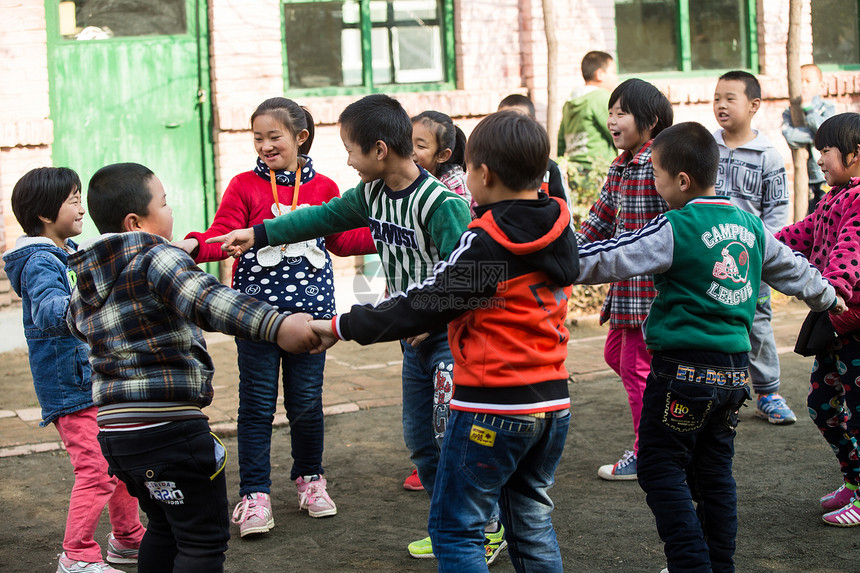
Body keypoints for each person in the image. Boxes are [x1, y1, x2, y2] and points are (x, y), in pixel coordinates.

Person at [204, 95, 509, 562]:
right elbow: (320, 217)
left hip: (449, 342)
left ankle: (484, 528)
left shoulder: (441, 204)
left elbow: (467, 280)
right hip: (414, 343)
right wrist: (259, 233)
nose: (346, 159)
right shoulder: (371, 195)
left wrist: (432, 322)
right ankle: (450, 526)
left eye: (351, 149)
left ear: (380, 150)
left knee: (454, 442)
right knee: (422, 445)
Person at [309, 109, 579, 572]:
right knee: (530, 525)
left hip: (492, 407)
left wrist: (338, 327)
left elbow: (424, 303)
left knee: (457, 531)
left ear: (483, 173)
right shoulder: (558, 230)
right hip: (552, 405)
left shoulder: (487, 241)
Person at [575, 121, 844, 572]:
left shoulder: (676, 226)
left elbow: (614, 255)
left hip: (681, 371)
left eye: (657, 177)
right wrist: (831, 297)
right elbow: (795, 270)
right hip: (734, 375)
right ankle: (719, 564)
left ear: (681, 180)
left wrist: (554, 260)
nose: (656, 187)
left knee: (660, 469)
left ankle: (690, 564)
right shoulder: (750, 226)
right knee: (714, 473)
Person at [66, 162, 320, 573]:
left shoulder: (89, 277)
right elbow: (208, 300)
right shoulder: (156, 257)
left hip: (117, 437)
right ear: (136, 222)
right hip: (169, 431)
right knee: (202, 541)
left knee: (164, 529)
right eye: (164, 203)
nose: (171, 211)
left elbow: (75, 325)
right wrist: (277, 324)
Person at [174, 97, 375, 536]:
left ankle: (310, 480)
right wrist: (193, 245)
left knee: (306, 404)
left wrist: (390, 235)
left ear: (300, 137)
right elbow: (222, 235)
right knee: (257, 405)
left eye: (274, 137)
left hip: (313, 321)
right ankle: (254, 495)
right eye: (258, 138)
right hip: (255, 319)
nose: (265, 146)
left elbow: (341, 241)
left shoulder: (324, 189)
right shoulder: (244, 185)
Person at [3, 167, 145, 573]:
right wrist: (91, 309)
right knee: (97, 471)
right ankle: (76, 554)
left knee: (117, 464)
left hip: (93, 380)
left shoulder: (66, 253)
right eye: (73, 199)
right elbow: (49, 310)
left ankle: (129, 539)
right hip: (70, 386)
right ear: (46, 214)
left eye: (80, 196)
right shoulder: (40, 262)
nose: (82, 207)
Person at [576, 78, 673, 481]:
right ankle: (667, 410)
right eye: (610, 112)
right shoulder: (622, 165)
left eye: (621, 113)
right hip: (625, 290)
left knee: (635, 367)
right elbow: (598, 220)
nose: (612, 120)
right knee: (615, 356)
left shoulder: (658, 163)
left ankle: (648, 451)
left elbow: (680, 215)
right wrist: (562, 253)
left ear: (649, 121)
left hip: (650, 290)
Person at [775, 112, 860, 526]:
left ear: (855, 154)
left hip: (852, 320)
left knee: (858, 413)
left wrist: (835, 288)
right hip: (834, 321)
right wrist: (757, 242)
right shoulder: (832, 196)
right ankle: (854, 479)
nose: (820, 158)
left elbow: (849, 249)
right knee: (822, 406)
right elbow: (802, 234)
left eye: (825, 150)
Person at [713, 70, 796, 424]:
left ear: (754, 105)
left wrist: (765, 251)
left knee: (757, 321)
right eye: (716, 98)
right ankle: (716, 390)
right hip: (709, 254)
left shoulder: (769, 156)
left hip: (751, 258)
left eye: (730, 98)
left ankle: (768, 392)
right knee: (713, 319)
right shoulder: (706, 148)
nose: (721, 105)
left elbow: (777, 214)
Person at [497, 94, 570, 212]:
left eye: (518, 121)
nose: (510, 129)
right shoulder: (492, 167)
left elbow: (564, 211)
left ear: (532, 123)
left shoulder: (550, 169)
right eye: (503, 122)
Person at [781, 63, 836, 214]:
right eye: (800, 81)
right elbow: (790, 135)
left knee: (828, 215)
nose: (803, 85)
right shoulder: (790, 112)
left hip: (825, 176)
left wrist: (809, 110)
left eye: (808, 81)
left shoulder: (828, 108)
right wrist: (815, 136)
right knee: (810, 217)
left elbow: (826, 132)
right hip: (806, 178)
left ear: (821, 85)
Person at [557, 50, 618, 183]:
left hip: (575, 172)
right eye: (613, 72)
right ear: (600, 74)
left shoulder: (569, 103)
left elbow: (561, 141)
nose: (616, 77)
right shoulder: (601, 97)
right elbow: (615, 131)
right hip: (599, 171)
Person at [412, 110, 472, 216]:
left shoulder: (451, 187)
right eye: (407, 142)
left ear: (442, 155)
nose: (410, 151)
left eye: (420, 146)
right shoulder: (414, 176)